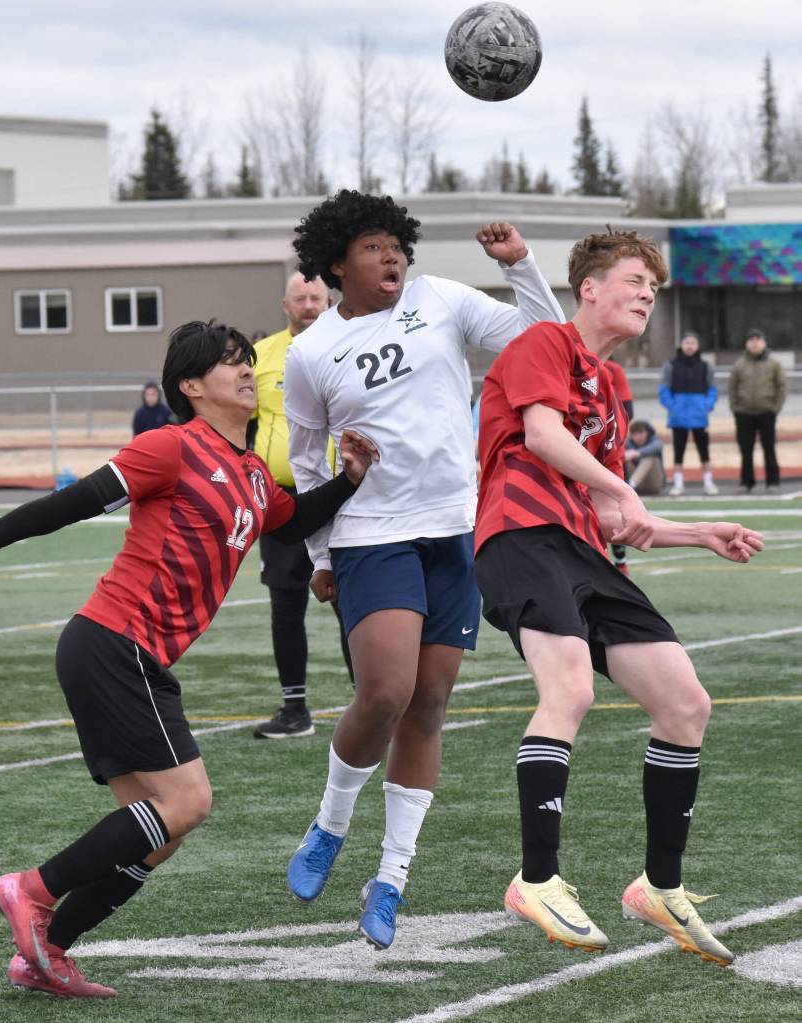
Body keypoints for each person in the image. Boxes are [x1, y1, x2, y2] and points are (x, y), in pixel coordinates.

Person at [0, 320, 378, 998]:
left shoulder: (254, 475)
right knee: (188, 801)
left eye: (247, 361)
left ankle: (45, 953)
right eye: (230, 362)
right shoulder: (170, 446)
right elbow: (74, 502)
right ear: (191, 386)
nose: (246, 371)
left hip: (136, 658)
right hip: (114, 643)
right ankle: (31, 888)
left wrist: (349, 479)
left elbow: (290, 520)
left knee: (158, 833)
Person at [282, 189, 564, 950]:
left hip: (454, 530)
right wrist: (318, 556)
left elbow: (545, 340)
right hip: (370, 536)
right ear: (337, 263)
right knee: (384, 694)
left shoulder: (442, 297)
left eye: (395, 243)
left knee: (429, 705)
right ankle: (329, 826)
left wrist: (521, 265)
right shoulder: (311, 352)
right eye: (372, 246)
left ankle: (390, 878)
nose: (392, 256)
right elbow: (306, 464)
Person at [474, 228, 763, 965]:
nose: (647, 295)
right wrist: (622, 489)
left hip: (583, 549)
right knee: (569, 689)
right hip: (519, 535)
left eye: (654, 289)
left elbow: (615, 517)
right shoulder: (543, 342)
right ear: (590, 287)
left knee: (685, 703)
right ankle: (536, 878)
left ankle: (658, 887)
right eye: (635, 281)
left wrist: (699, 532)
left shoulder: (610, 386)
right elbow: (543, 436)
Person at [249, 272, 354, 740]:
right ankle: (294, 709)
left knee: (353, 603)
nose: (309, 305)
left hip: (346, 498)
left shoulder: (354, 343)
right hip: (283, 501)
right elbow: (241, 423)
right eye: (300, 298)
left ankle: (371, 703)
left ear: (329, 301)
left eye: (316, 297)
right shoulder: (260, 356)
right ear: (285, 305)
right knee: (285, 604)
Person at [659, 333, 719, 496]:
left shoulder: (706, 367)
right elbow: (663, 390)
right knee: (678, 452)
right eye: (687, 342)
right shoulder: (670, 366)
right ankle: (678, 484)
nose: (690, 346)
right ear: (681, 345)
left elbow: (713, 389)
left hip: (700, 417)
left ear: (698, 346)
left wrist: (706, 406)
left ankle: (708, 482)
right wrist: (673, 407)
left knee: (704, 451)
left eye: (693, 343)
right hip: (678, 418)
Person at [728, 328, 787, 494]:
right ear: (747, 344)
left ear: (764, 343)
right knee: (745, 449)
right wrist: (735, 407)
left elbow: (781, 386)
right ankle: (747, 482)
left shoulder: (774, 364)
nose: (755, 343)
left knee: (769, 447)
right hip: (744, 413)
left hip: (766, 412)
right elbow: (732, 387)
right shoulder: (739, 364)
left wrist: (775, 407)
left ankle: (772, 482)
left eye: (758, 340)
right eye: (751, 340)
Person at [604, 356, 634, 573]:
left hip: (607, 450)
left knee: (615, 507)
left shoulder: (613, 370)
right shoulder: (568, 363)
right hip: (576, 450)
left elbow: (626, 410)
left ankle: (620, 559)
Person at [625, 419, 665, 495]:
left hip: (654, 484)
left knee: (650, 458)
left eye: (640, 433)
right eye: (635, 434)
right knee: (624, 458)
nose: (638, 437)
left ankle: (630, 486)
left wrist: (637, 453)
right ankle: (626, 486)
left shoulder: (654, 440)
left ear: (647, 432)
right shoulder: (628, 443)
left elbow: (658, 446)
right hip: (638, 486)